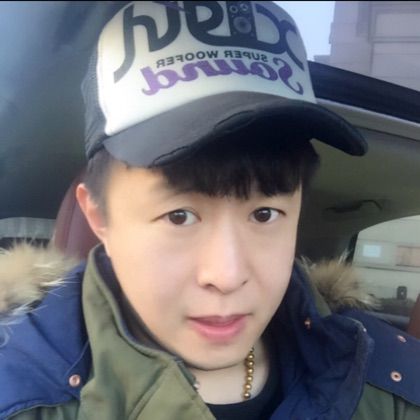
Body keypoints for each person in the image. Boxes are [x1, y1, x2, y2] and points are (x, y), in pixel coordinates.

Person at [1, 2, 419, 419]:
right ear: (99, 218)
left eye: (264, 214)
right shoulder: (22, 397)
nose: (227, 275)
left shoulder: (391, 386)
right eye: (179, 216)